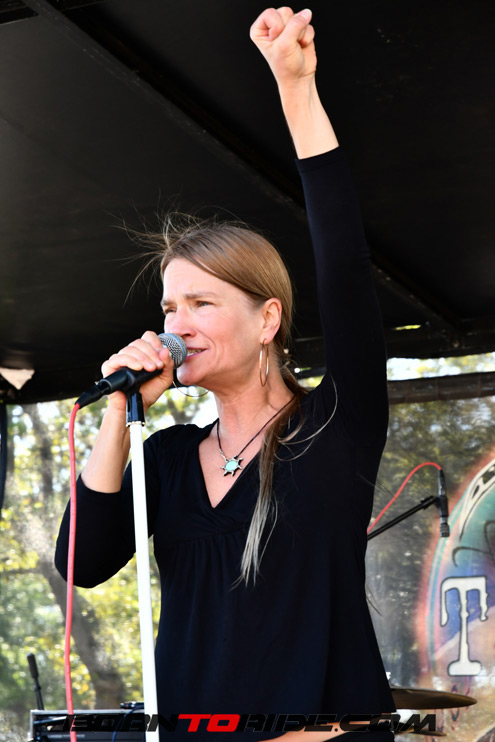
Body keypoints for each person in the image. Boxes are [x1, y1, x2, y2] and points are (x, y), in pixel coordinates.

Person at [56, 7, 395, 740]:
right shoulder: (168, 458)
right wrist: (119, 410)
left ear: (267, 320)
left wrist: (295, 87)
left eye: (201, 304)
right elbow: (82, 563)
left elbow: (344, 258)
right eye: (169, 307)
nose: (176, 325)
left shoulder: (334, 426)